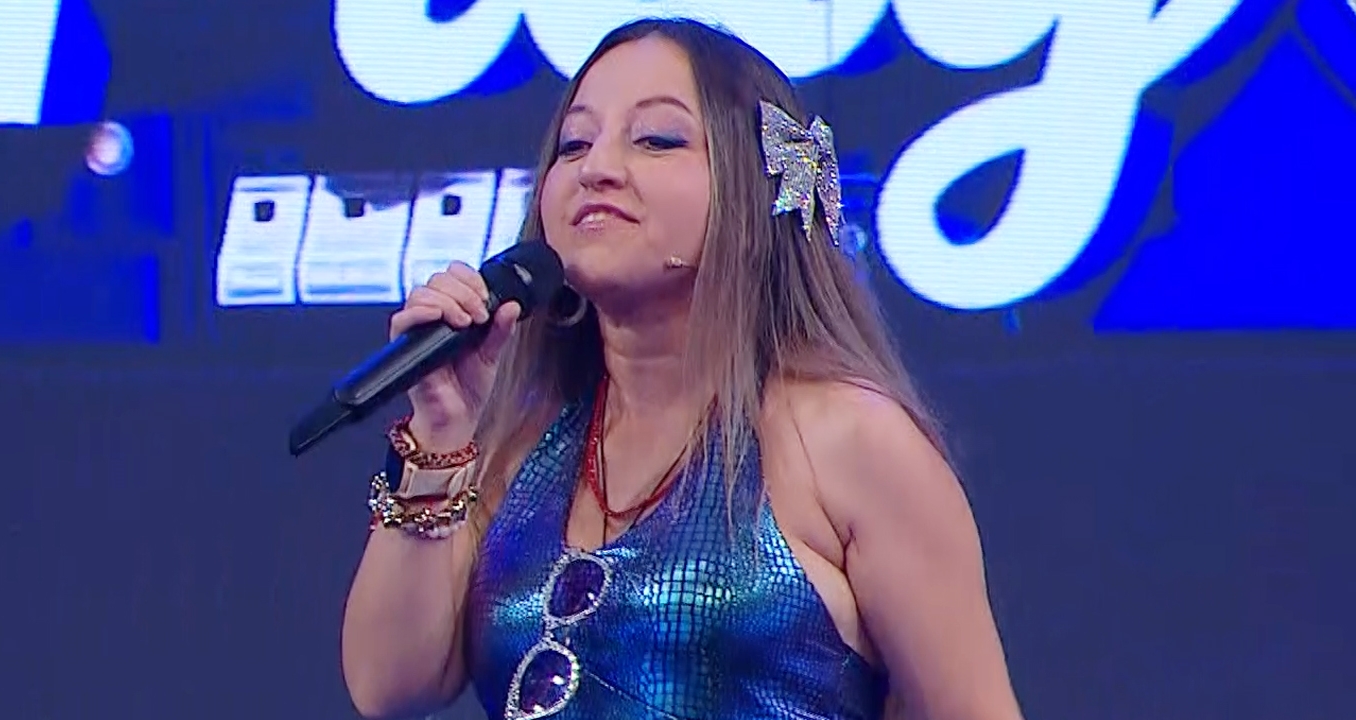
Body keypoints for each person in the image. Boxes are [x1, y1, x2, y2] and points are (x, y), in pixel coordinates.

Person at [342, 16, 1025, 720]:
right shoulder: (523, 447)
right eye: (574, 144)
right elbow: (388, 685)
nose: (597, 169)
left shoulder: (849, 440)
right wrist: (440, 430)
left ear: (754, 188)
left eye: (657, 139)